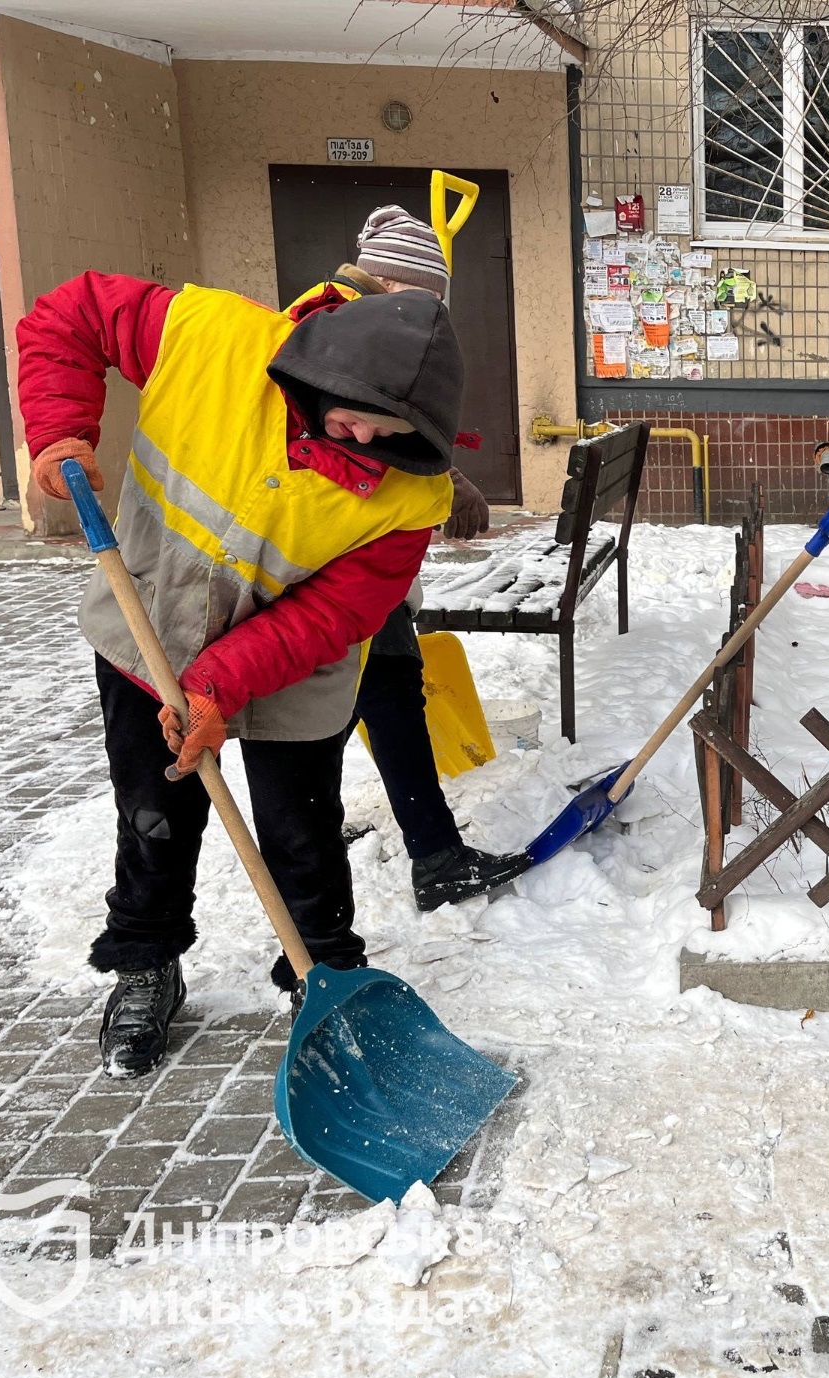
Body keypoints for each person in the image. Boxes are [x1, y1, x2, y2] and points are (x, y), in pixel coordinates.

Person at [17, 269, 463, 1076]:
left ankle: (321, 972)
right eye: (361, 413)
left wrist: (218, 684)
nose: (368, 441)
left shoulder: (410, 498)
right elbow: (69, 314)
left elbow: (333, 614)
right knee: (154, 810)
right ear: (327, 371)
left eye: (392, 431)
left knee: (303, 829)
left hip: (294, 664)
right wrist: (59, 429)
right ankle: (146, 960)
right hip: (150, 622)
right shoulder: (210, 338)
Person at [283, 204, 532, 919]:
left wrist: (447, 475)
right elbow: (347, 438)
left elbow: (383, 430)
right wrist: (444, 482)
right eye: (426, 300)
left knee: (369, 691)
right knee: (375, 691)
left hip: (350, 556)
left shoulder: (353, 319)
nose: (430, 320)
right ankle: (431, 857)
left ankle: (420, 848)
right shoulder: (330, 326)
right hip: (327, 558)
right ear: (390, 283)